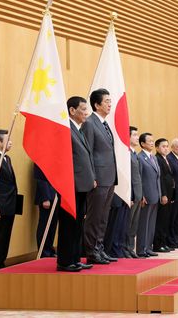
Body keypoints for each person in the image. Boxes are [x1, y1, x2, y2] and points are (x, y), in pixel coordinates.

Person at [56, 96, 95, 272]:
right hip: (70, 186)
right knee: (68, 224)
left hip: (81, 186)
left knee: (78, 224)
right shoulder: (66, 129)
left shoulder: (78, 129)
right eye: (83, 109)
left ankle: (75, 258)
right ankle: (65, 261)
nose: (87, 113)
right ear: (72, 110)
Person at [82, 88, 118, 265]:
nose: (110, 104)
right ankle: (91, 251)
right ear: (96, 105)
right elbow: (87, 152)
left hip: (109, 177)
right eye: (106, 101)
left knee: (103, 216)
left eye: (110, 101)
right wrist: (92, 177)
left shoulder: (104, 123)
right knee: (94, 216)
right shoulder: (90, 123)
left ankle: (99, 248)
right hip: (98, 178)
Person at [0, 130, 18, 271]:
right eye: (8, 140)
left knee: (5, 237)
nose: (11, 142)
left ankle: (1, 263)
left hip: (10, 205)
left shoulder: (7, 158)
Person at [136, 133, 161, 257]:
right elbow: (139, 178)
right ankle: (141, 249)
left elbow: (157, 178)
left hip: (155, 194)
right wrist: (141, 195)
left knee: (151, 223)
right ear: (142, 144)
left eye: (153, 140)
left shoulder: (153, 157)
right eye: (149, 141)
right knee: (143, 223)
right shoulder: (140, 158)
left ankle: (148, 247)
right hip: (146, 195)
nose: (152, 143)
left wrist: (160, 193)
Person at [124, 126, 143, 258]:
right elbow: (127, 176)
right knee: (127, 224)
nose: (137, 137)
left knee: (134, 225)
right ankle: (125, 249)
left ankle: (131, 249)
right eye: (135, 135)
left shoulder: (134, 153)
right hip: (130, 195)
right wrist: (129, 195)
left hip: (138, 194)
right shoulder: (126, 153)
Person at [154, 138, 174, 253]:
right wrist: (164, 194)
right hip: (164, 194)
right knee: (161, 220)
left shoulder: (166, 159)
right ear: (157, 148)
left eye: (167, 146)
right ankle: (158, 244)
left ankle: (164, 242)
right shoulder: (158, 159)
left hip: (170, 193)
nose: (166, 148)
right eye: (163, 146)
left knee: (166, 219)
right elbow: (160, 179)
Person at [34, 164, 57, 258]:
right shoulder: (40, 157)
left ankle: (50, 250)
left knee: (52, 226)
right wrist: (45, 198)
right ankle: (44, 252)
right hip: (47, 196)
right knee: (44, 225)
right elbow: (40, 178)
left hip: (55, 196)